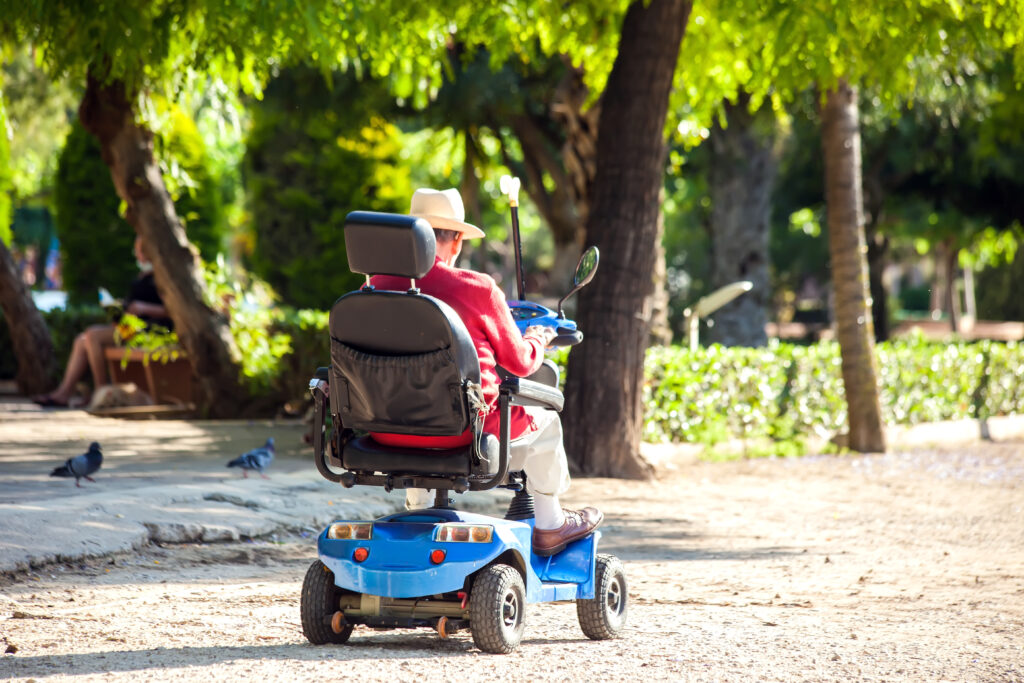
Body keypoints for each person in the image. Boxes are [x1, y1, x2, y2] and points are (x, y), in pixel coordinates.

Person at [369, 187, 602, 557]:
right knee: (546, 418)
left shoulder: (372, 288)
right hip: (464, 433)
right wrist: (538, 338)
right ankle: (550, 524)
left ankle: (420, 513)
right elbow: (522, 362)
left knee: (411, 405)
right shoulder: (477, 289)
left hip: (382, 432)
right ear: (457, 241)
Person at [32, 236, 172, 408]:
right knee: (82, 340)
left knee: (92, 336)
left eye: (140, 251)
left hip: (151, 331)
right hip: (132, 327)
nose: (137, 255)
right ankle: (64, 393)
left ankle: (101, 394)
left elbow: (173, 311)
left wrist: (144, 307)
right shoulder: (144, 275)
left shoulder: (164, 276)